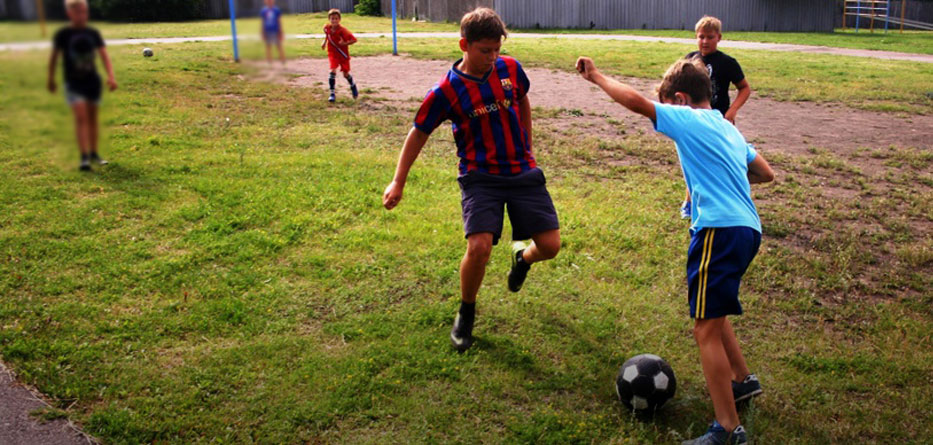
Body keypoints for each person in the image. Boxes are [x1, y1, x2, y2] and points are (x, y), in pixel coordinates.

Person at [575, 55, 773, 445]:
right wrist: (727, 176)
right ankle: (742, 380)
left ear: (680, 99)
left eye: (668, 103)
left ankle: (728, 430)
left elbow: (635, 102)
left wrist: (596, 76)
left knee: (704, 331)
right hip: (747, 229)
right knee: (712, 311)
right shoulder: (726, 128)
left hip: (718, 229)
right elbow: (766, 173)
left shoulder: (689, 118)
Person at [382, 8, 561, 352]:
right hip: (481, 177)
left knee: (551, 246)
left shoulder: (510, 68)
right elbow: (418, 133)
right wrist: (398, 181)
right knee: (478, 247)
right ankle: (466, 311)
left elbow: (522, 100)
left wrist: (528, 145)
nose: (492, 57)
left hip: (521, 169)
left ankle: (522, 259)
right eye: (484, 50)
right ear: (464, 44)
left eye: (497, 49)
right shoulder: (446, 91)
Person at [681, 15, 752, 219]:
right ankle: (689, 201)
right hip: (695, 120)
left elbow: (744, 88)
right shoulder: (690, 59)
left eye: (710, 37)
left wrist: (732, 111)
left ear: (719, 37)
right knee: (695, 159)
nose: (705, 41)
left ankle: (724, 197)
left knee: (719, 160)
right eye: (701, 37)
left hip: (719, 120)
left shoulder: (728, 63)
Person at [47, 0, 117, 172]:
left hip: (92, 82)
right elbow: (54, 57)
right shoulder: (63, 34)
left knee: (92, 118)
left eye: (84, 12)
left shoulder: (93, 33)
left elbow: (103, 55)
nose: (82, 16)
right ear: (69, 14)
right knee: (81, 117)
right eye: (78, 12)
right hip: (73, 83)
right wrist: (51, 78)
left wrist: (111, 76)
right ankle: (84, 157)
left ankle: (94, 153)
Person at [321, 9, 358, 102]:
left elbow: (354, 40)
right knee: (332, 70)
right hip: (332, 53)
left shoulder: (343, 30)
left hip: (343, 54)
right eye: (332, 18)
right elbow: (327, 35)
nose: (334, 21)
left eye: (336, 19)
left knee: (345, 74)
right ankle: (332, 94)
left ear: (339, 19)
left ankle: (353, 86)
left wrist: (344, 43)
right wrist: (324, 42)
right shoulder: (327, 27)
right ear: (329, 19)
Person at [260, 0, 286, 65]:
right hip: (267, 30)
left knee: (278, 46)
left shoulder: (276, 10)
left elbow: (279, 21)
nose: (269, 2)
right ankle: (269, 61)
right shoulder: (264, 11)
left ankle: (282, 60)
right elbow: (263, 22)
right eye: (268, 1)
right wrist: (263, 32)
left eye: (271, 1)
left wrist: (280, 32)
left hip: (275, 30)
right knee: (268, 46)